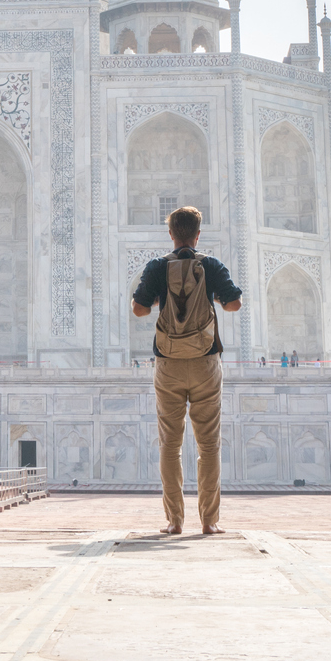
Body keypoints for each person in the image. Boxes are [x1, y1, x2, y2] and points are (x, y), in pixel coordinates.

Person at [132, 205, 242, 535]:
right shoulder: (209, 264)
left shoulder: (156, 267)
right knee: (208, 446)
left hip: (168, 364)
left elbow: (138, 310)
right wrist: (213, 296)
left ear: (170, 234)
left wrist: (158, 298)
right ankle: (209, 521)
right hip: (206, 362)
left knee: (170, 445)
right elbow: (234, 303)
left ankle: (174, 521)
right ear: (197, 235)